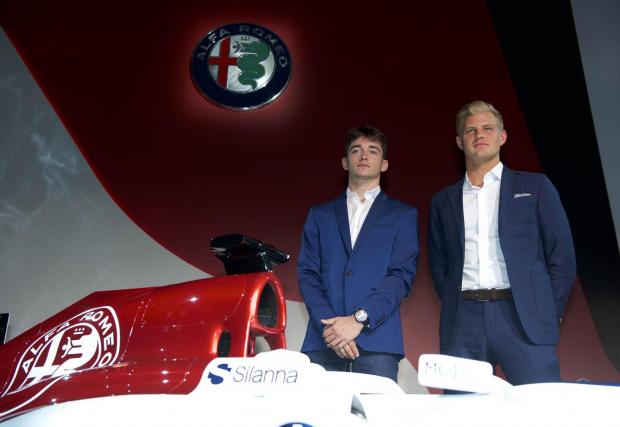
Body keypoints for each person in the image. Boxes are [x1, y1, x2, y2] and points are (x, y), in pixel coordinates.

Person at [428, 100, 576, 385]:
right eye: (470, 131)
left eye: (487, 128)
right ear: (459, 142)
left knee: (537, 403)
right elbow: (439, 266)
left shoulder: (535, 187)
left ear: (502, 136)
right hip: (464, 320)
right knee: (464, 406)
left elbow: (562, 258)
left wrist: (546, 310)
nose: (479, 135)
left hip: (523, 317)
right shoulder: (442, 201)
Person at [297, 125, 419, 382]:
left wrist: (358, 320)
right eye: (356, 150)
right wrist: (332, 329)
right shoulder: (319, 214)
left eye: (373, 151)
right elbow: (307, 275)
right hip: (324, 340)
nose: (364, 156)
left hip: (377, 341)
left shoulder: (403, 215)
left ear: (384, 164)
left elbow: (400, 276)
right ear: (345, 162)